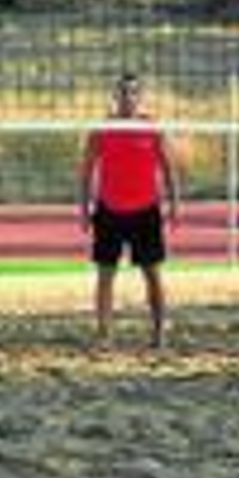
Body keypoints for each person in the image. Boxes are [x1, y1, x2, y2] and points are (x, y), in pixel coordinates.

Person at [79, 74, 180, 348]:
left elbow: (169, 168)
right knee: (105, 275)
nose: (128, 98)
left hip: (145, 209)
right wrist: (84, 207)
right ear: (115, 96)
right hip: (109, 209)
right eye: (123, 93)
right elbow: (87, 170)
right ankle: (104, 335)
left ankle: (159, 332)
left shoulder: (152, 128)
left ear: (140, 97)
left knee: (152, 273)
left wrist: (174, 205)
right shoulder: (102, 129)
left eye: (133, 93)